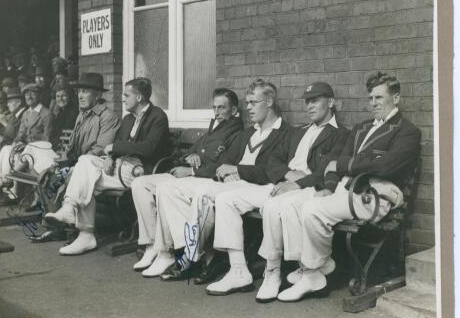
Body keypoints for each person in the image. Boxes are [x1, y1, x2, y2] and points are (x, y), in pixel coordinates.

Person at [275, 72, 421, 302]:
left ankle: (312, 272)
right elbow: (334, 163)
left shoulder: (407, 132)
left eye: (379, 98)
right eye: (371, 98)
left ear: (396, 98)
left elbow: (384, 167)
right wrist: (329, 186)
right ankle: (319, 265)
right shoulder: (362, 127)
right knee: (298, 204)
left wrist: (343, 165)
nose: (374, 103)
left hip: (375, 197)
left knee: (312, 211)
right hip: (347, 190)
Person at [206, 81, 349, 298]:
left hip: (309, 189)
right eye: (307, 102)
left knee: (273, 207)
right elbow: (273, 160)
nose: (309, 106)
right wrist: (289, 176)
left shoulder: (341, 135)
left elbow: (326, 171)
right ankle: (238, 270)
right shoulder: (298, 132)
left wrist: (298, 183)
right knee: (226, 199)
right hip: (282, 184)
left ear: (330, 102)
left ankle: (273, 271)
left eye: (315, 101)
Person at [140, 78, 289, 279]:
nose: (249, 108)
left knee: (203, 196)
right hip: (233, 184)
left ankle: (190, 258)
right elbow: (225, 162)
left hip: (256, 186)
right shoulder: (247, 133)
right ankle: (184, 251)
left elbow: (272, 170)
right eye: (247, 103)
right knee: (168, 189)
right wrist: (225, 172)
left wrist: (237, 170)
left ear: (269, 102)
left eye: (253, 103)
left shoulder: (285, 133)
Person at [44, 77, 170, 255]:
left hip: (140, 174)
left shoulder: (157, 116)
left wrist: (115, 148)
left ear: (140, 97)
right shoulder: (128, 119)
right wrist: (111, 156)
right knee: (86, 163)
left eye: (126, 95)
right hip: (120, 169)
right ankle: (79, 225)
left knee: (86, 178)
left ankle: (81, 227)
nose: (123, 99)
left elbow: (149, 148)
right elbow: (116, 146)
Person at [131, 88, 244, 275]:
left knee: (166, 189)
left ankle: (170, 252)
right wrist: (190, 156)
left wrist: (192, 169)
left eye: (222, 108)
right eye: (214, 108)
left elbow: (222, 167)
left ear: (233, 111)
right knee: (140, 184)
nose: (216, 112)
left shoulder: (236, 133)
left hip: (204, 180)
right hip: (188, 175)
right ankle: (152, 245)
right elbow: (189, 152)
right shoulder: (214, 127)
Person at [28, 72, 120, 243]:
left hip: (93, 166)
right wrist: (59, 162)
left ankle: (75, 231)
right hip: (79, 163)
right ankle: (56, 228)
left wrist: (73, 165)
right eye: (79, 92)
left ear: (98, 95)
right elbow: (71, 147)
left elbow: (100, 149)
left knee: (66, 177)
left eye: (85, 91)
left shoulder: (107, 117)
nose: (80, 95)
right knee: (49, 176)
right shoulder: (82, 115)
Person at [0, 83, 53, 205]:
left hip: (39, 150)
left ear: (39, 95)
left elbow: (47, 140)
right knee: (7, 149)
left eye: (32, 93)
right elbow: (20, 134)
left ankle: (11, 193)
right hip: (26, 149)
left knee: (16, 156)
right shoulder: (26, 113)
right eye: (26, 94)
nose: (29, 96)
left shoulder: (46, 114)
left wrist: (26, 146)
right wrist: (17, 143)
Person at [0, 88, 26, 178]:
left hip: (14, 144)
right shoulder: (11, 115)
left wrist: (4, 123)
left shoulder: (19, 115)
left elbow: (15, 134)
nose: (8, 105)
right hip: (6, 143)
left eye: (9, 102)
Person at [49, 78, 78, 150]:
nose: (60, 99)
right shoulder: (60, 113)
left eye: (63, 96)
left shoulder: (74, 113)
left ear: (70, 96)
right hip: (59, 148)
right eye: (58, 96)